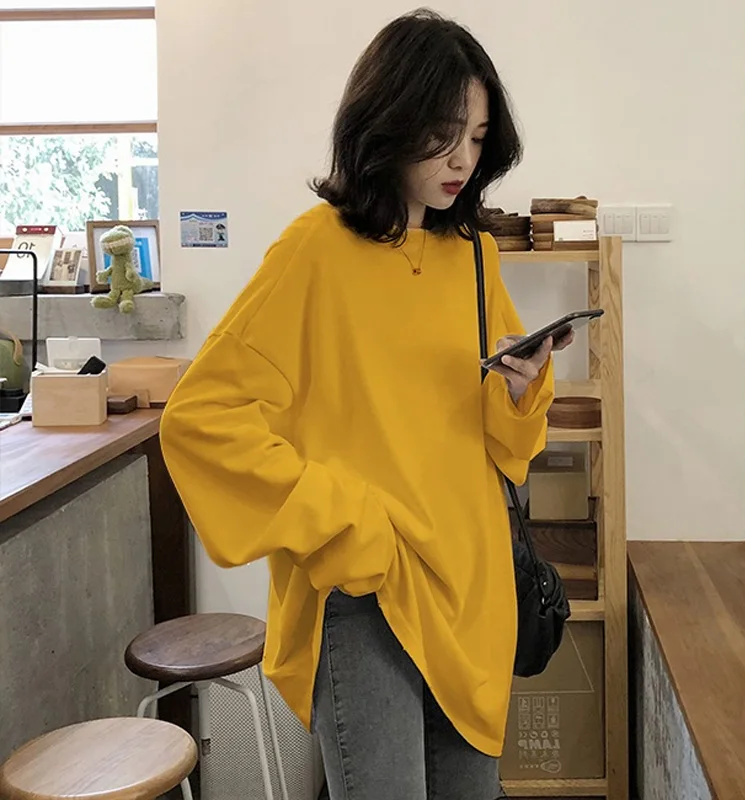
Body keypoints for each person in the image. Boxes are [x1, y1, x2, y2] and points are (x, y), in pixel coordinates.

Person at [160, 9, 574, 800]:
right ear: (388, 120)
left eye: (478, 138)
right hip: (367, 592)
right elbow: (202, 419)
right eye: (444, 135)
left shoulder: (476, 256)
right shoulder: (314, 250)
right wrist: (346, 519)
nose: (463, 160)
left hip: (474, 585)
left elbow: (506, 447)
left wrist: (523, 392)